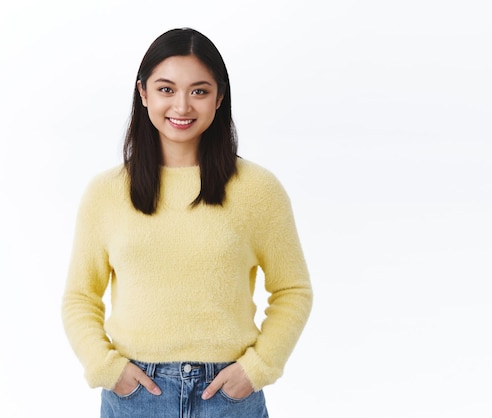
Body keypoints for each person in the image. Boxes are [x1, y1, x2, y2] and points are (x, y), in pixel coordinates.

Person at [62, 27, 312, 418]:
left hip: (229, 396)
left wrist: (257, 368)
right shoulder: (106, 192)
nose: (182, 106)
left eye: (199, 90)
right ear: (142, 93)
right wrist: (106, 367)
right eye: (165, 89)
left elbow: (293, 289)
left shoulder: (258, 190)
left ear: (220, 97)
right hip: (135, 395)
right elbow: (80, 296)